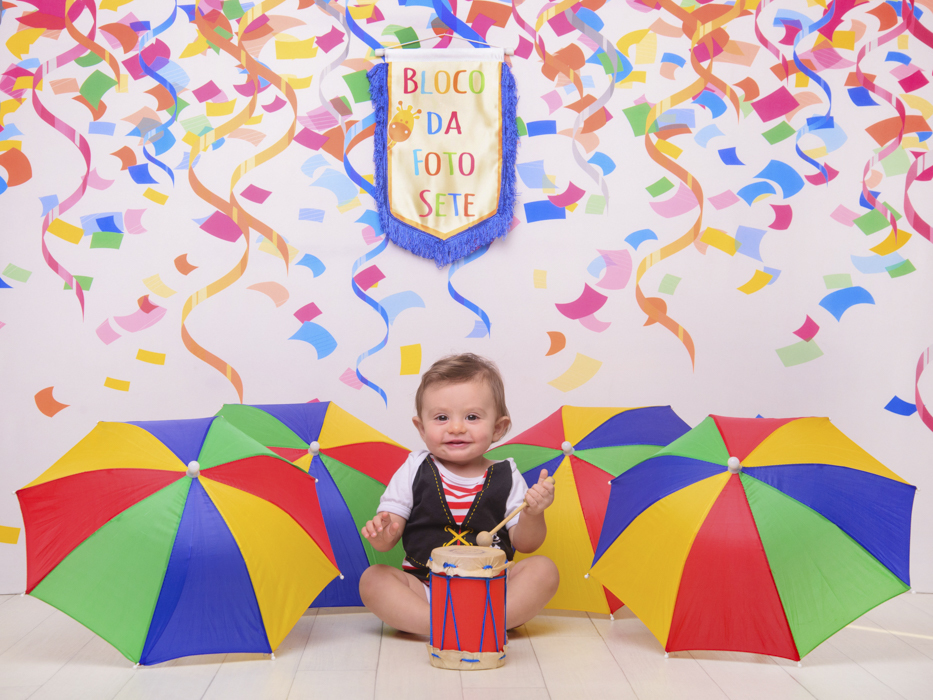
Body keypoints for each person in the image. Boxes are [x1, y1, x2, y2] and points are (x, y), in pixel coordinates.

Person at [359, 353, 559, 634]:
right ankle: (441, 626)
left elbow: (526, 544)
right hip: (427, 590)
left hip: (493, 590)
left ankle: (483, 621)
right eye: (441, 417)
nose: (456, 427)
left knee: (543, 570)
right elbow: (387, 534)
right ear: (421, 428)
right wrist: (382, 534)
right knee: (373, 579)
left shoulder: (506, 474)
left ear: (498, 428)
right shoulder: (414, 468)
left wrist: (534, 514)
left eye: (472, 417)